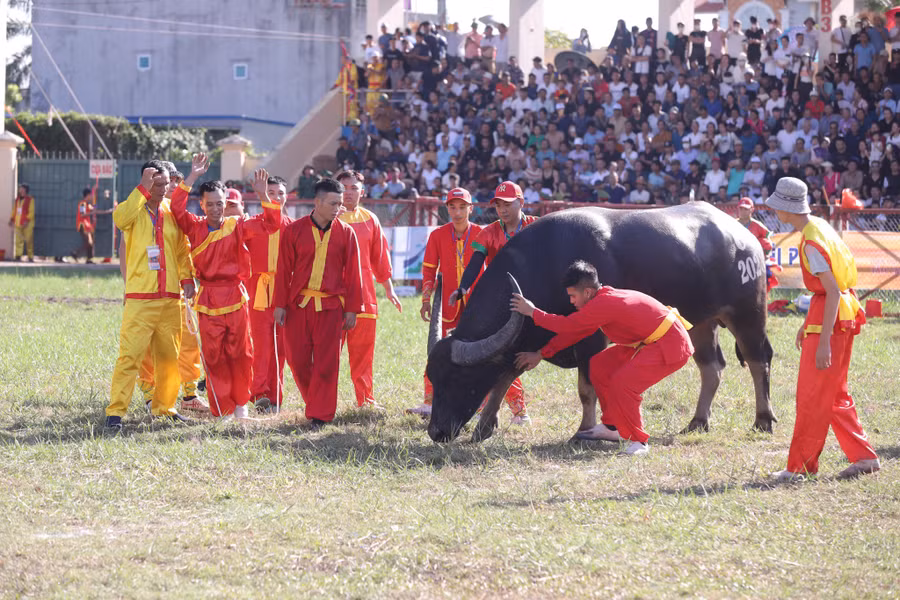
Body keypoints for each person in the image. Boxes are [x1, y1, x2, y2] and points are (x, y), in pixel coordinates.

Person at [510, 260, 694, 455]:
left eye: (573, 296)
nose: (571, 301)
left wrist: (532, 312)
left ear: (587, 292)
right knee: (600, 365)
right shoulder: (600, 300)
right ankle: (613, 426)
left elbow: (567, 325)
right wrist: (541, 354)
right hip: (651, 341)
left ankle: (638, 441)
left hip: (670, 344)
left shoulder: (603, 304)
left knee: (623, 383)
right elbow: (575, 332)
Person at [765, 177, 880, 481]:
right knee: (832, 394)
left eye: (778, 208)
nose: (777, 213)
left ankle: (800, 468)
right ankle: (864, 457)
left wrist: (824, 339)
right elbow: (833, 291)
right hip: (839, 314)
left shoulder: (811, 240)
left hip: (830, 318)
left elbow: (828, 290)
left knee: (813, 396)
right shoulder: (819, 226)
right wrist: (809, 324)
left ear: (787, 210)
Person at [170, 157, 281, 418]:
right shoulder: (195, 226)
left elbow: (271, 224)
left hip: (235, 296)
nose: (216, 209)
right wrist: (192, 177)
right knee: (213, 355)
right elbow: (176, 208)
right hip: (208, 297)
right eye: (210, 204)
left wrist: (264, 194)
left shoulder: (237, 225)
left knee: (241, 353)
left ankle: (241, 404)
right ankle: (222, 408)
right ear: (202, 204)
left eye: (220, 204)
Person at [106, 161, 195, 428]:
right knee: (129, 357)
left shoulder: (172, 212)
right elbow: (120, 220)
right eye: (157, 184)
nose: (163, 188)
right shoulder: (130, 208)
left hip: (170, 298)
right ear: (146, 183)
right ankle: (115, 412)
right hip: (140, 299)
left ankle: (164, 408)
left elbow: (181, 249)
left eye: (165, 183)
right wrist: (142, 190)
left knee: (169, 359)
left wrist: (187, 277)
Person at [274, 178, 364, 427]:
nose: (338, 208)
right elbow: (283, 270)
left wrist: (353, 309)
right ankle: (315, 403)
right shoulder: (293, 231)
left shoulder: (347, 233)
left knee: (327, 363)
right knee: (297, 360)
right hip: (298, 306)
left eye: (340, 203)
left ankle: (320, 415)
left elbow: (354, 275)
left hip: (331, 308)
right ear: (317, 202)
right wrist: (279, 305)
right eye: (333, 203)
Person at [449, 181, 533, 424]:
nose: (503, 209)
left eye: (508, 204)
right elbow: (476, 262)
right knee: (498, 355)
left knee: (509, 356)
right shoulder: (489, 233)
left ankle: (514, 410)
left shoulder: (535, 226)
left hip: (534, 301)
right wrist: (463, 288)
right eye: (498, 204)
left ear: (521, 203)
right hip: (501, 305)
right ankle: (505, 410)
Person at [409, 187, 484, 416]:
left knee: (487, 354)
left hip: (478, 305)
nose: (457, 212)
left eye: (462, 207)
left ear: (471, 208)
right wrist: (425, 300)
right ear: (447, 208)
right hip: (448, 307)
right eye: (452, 207)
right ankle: (430, 403)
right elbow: (429, 270)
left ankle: (509, 409)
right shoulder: (438, 235)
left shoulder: (483, 233)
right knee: (438, 353)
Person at [336, 170, 401, 409]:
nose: (348, 193)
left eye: (354, 188)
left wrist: (389, 289)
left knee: (363, 353)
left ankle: (365, 400)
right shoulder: (324, 218)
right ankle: (322, 403)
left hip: (364, 296)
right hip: (331, 296)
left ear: (362, 192)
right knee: (327, 354)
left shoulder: (370, 219)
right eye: (344, 187)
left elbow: (379, 258)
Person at [246, 174, 294, 413]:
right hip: (258, 292)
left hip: (284, 291)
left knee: (281, 348)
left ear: (287, 197)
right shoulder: (252, 223)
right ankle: (258, 395)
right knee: (261, 346)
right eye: (269, 193)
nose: (275, 198)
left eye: (279, 194)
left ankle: (275, 396)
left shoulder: (293, 227)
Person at [9, 184, 35, 261]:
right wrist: (11, 219)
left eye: (21, 188)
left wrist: (27, 220)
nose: (20, 190)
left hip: (27, 224)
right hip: (18, 222)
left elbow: (32, 211)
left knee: (29, 240)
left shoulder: (30, 199)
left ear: (25, 190)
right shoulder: (17, 199)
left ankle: (30, 257)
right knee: (18, 240)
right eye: (20, 188)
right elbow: (14, 210)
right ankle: (18, 256)